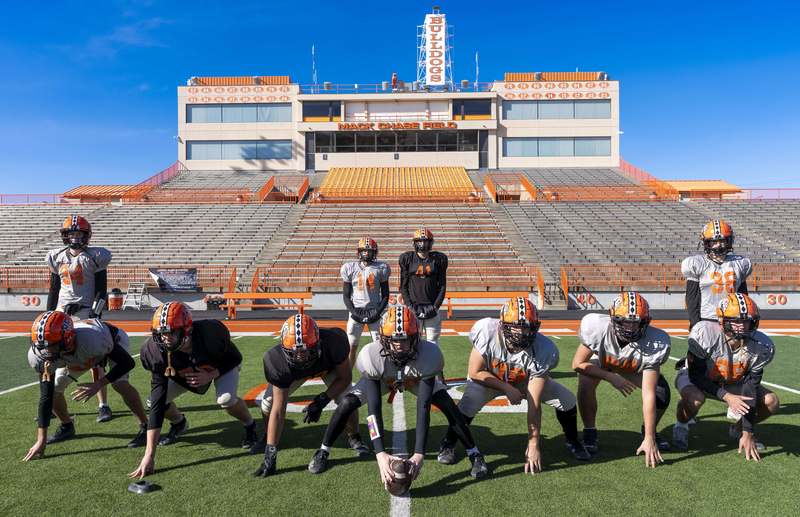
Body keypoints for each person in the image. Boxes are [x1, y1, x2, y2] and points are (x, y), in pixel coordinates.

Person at [307, 305, 489, 480]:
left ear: (416, 337)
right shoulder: (372, 356)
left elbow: (423, 407)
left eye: (405, 339)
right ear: (383, 338)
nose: (400, 345)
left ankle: (474, 453)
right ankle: (323, 450)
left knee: (447, 403)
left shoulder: (429, 354)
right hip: (383, 379)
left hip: (415, 377)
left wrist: (419, 454)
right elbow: (373, 410)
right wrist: (380, 453)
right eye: (394, 340)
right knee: (347, 403)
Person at [440, 297, 590, 475]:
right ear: (502, 325)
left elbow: (533, 402)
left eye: (527, 327)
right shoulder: (486, 331)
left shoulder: (544, 349)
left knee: (567, 400)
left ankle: (573, 440)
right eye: (516, 327)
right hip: (489, 378)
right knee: (466, 406)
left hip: (524, 380)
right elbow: (475, 372)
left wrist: (533, 443)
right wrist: (506, 388)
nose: (522, 333)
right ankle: (448, 443)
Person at [128, 302, 256, 479]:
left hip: (219, 367)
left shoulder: (210, 334)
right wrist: (149, 455)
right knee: (154, 401)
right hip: (186, 375)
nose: (165, 338)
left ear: (186, 330)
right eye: (161, 333)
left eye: (171, 332)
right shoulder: (154, 352)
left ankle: (250, 425)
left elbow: (235, 358)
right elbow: (158, 401)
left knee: (225, 399)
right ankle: (179, 423)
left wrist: (211, 376)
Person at [253, 314, 368, 477]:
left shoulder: (334, 342)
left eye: (306, 350)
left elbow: (345, 378)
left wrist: (322, 399)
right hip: (294, 374)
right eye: (294, 352)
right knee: (269, 403)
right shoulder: (276, 361)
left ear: (318, 342)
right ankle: (269, 440)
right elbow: (279, 411)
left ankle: (354, 436)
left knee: (345, 398)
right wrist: (269, 456)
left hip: (327, 368)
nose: (300, 357)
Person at [22, 311, 148, 461]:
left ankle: (145, 426)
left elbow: (127, 363)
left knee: (119, 384)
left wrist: (98, 384)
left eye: (52, 346)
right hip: (73, 355)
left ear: (67, 339)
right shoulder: (41, 355)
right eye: (42, 346)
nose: (46, 352)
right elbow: (46, 395)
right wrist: (41, 439)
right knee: (54, 389)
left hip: (112, 343)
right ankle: (67, 426)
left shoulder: (93, 339)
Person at [673, 293, 779, 461]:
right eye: (736, 321)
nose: (742, 327)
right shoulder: (705, 333)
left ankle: (737, 430)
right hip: (698, 379)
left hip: (732, 382)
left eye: (746, 321)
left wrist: (748, 431)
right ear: (722, 321)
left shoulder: (762, 346)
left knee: (771, 401)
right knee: (695, 399)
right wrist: (727, 397)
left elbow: (750, 387)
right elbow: (696, 376)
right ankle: (682, 424)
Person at [571, 292, 672, 468]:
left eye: (636, 323)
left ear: (645, 322)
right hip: (603, 362)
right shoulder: (596, 327)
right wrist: (611, 377)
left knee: (661, 393)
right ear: (613, 318)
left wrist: (649, 438)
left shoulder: (657, 340)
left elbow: (648, 394)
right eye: (626, 322)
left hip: (632, 367)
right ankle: (589, 431)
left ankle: (649, 431)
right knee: (586, 379)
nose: (631, 328)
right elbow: (578, 364)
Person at [46, 215, 114, 422]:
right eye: (71, 233)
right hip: (61, 313)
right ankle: (52, 403)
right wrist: (49, 315)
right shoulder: (56, 256)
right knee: (53, 356)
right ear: (65, 236)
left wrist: (95, 314)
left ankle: (103, 404)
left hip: (86, 312)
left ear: (86, 235)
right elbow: (54, 288)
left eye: (78, 233)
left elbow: (101, 290)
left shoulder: (96, 256)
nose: (75, 237)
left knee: (96, 359)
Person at [682, 219, 751, 330]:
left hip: (733, 319)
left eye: (722, 241)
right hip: (707, 319)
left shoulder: (739, 264)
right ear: (706, 243)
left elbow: (743, 295)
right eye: (714, 242)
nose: (719, 245)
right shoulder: (698, 264)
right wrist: (695, 323)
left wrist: (744, 318)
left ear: (729, 241)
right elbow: (692, 298)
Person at [341, 237, 390, 365]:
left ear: (374, 252)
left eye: (369, 251)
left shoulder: (381, 268)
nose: (366, 253)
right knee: (351, 347)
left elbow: (385, 295)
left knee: (380, 348)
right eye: (364, 251)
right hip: (356, 311)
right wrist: (353, 312)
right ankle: (347, 378)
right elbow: (346, 296)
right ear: (359, 252)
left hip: (374, 311)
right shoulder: (349, 268)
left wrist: (378, 312)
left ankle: (381, 376)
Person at [399, 228, 447, 344]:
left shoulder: (438, 259)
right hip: (414, 307)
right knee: (414, 343)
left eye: (426, 241)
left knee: (433, 342)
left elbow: (442, 286)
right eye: (420, 241)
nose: (423, 244)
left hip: (432, 307)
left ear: (431, 243)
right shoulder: (408, 259)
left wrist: (435, 306)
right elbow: (403, 286)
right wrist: (410, 306)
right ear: (415, 243)